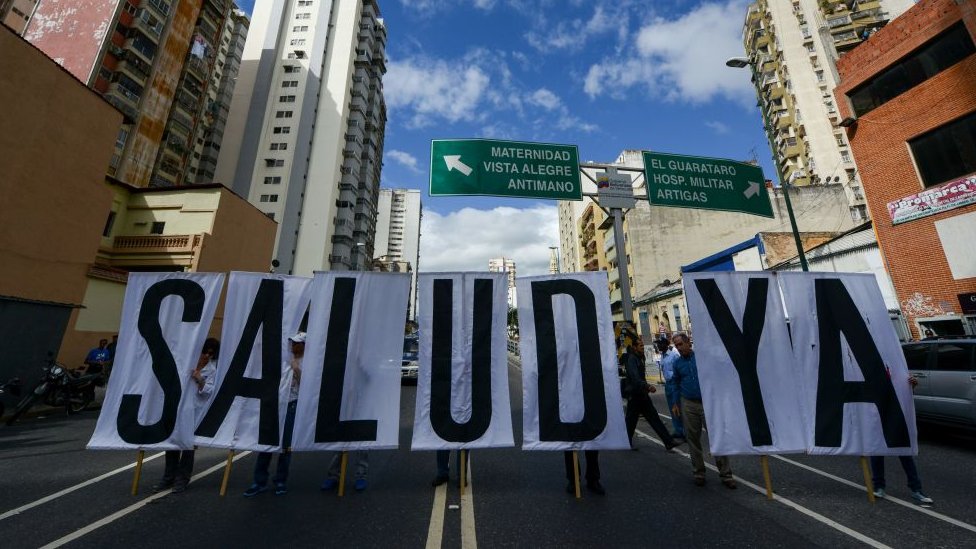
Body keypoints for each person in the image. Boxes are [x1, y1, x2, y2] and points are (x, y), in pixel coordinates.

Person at [153, 337, 220, 493]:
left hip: (194, 412)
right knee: (172, 444)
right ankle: (168, 477)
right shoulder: (185, 363)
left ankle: (182, 479)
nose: (207, 356)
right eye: (205, 352)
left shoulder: (212, 370)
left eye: (211, 354)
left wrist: (200, 380)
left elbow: (209, 392)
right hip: (177, 408)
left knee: (188, 447)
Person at [669, 333, 736, 489]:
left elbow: (717, 377)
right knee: (693, 439)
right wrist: (675, 403)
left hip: (708, 403)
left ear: (688, 343)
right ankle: (699, 472)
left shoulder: (702, 359)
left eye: (680, 344)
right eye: (676, 346)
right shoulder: (678, 364)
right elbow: (675, 383)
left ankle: (726, 474)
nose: (678, 348)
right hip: (688, 403)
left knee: (716, 437)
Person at [244, 332, 305, 497]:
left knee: (286, 446)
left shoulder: (307, 362)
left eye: (297, 343)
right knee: (267, 443)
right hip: (276, 404)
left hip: (293, 405)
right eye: (292, 342)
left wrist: (296, 369)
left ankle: (280, 480)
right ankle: (259, 481)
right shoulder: (284, 359)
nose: (293, 345)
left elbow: (306, 387)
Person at [870, 375, 934, 505]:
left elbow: (905, 396)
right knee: (877, 452)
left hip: (896, 416)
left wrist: (911, 386)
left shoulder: (899, 369)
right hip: (878, 415)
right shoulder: (875, 369)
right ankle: (879, 486)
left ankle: (916, 489)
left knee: (904, 453)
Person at [623, 336, 680, 451]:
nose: (643, 347)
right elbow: (635, 377)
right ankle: (625, 442)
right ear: (634, 347)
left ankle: (668, 442)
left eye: (643, 345)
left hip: (642, 394)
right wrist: (647, 386)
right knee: (631, 421)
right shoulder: (632, 359)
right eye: (640, 345)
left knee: (654, 418)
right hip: (635, 395)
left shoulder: (639, 357)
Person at [657, 338, 685, 440]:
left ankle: (685, 433)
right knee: (672, 408)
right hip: (668, 384)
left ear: (666, 344)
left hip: (675, 383)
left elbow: (680, 368)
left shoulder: (674, 355)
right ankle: (678, 431)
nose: (658, 346)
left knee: (678, 407)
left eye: (660, 344)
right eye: (658, 344)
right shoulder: (662, 356)